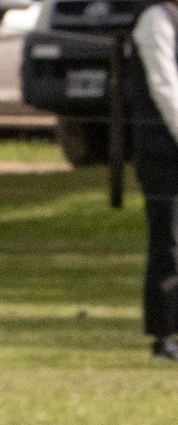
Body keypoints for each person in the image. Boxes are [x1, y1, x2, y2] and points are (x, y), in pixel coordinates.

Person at [127, 0, 178, 360]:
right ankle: (166, 336)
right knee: (170, 241)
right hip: (163, 151)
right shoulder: (155, 19)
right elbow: (164, 86)